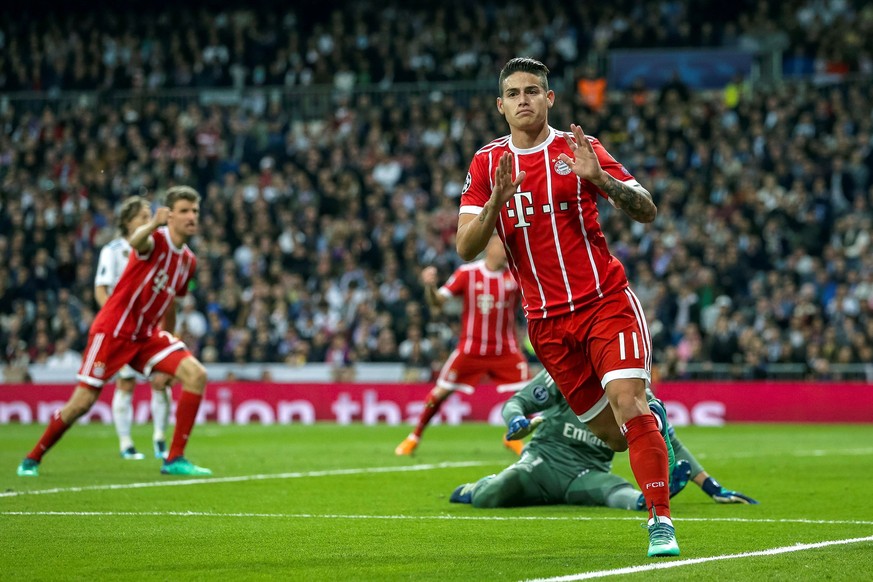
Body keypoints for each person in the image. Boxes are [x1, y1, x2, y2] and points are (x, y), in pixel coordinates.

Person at [455, 57, 678, 556]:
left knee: (628, 403)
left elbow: (647, 209)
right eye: (513, 93)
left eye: (533, 90)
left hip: (604, 303)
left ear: (549, 98)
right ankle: (647, 421)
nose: (523, 100)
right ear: (500, 105)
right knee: (617, 437)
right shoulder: (486, 164)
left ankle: (659, 522)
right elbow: (466, 249)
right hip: (547, 324)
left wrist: (601, 180)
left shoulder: (579, 148)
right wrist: (495, 203)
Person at [17, 186, 212, 477]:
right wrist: (152, 224)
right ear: (169, 215)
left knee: (196, 374)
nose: (192, 216)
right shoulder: (154, 240)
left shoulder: (189, 261)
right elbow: (135, 241)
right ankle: (32, 458)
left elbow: (170, 302)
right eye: (184, 211)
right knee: (82, 403)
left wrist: (171, 349)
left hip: (146, 336)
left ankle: (174, 458)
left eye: (195, 211)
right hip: (113, 332)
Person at [449, 369, 758, 509]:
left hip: (588, 472)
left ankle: (649, 498)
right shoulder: (565, 372)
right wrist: (515, 420)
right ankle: (477, 487)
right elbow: (516, 402)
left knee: (618, 493)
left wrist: (711, 486)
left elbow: (669, 441)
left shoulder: (635, 392)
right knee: (493, 496)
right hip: (543, 462)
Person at [395, 235, 530, 456]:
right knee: (440, 393)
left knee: (530, 394)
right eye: (501, 245)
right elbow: (437, 302)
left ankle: (512, 437)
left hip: (505, 349)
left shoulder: (515, 276)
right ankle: (414, 437)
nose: (506, 250)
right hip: (471, 349)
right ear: (489, 246)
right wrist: (430, 286)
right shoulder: (467, 274)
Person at [95, 195, 175, 460]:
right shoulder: (112, 250)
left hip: (150, 327)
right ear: (128, 222)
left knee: (161, 381)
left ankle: (160, 438)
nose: (148, 219)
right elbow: (101, 288)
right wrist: (114, 319)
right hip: (124, 329)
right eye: (142, 216)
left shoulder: (157, 248)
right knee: (125, 383)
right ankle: (126, 443)